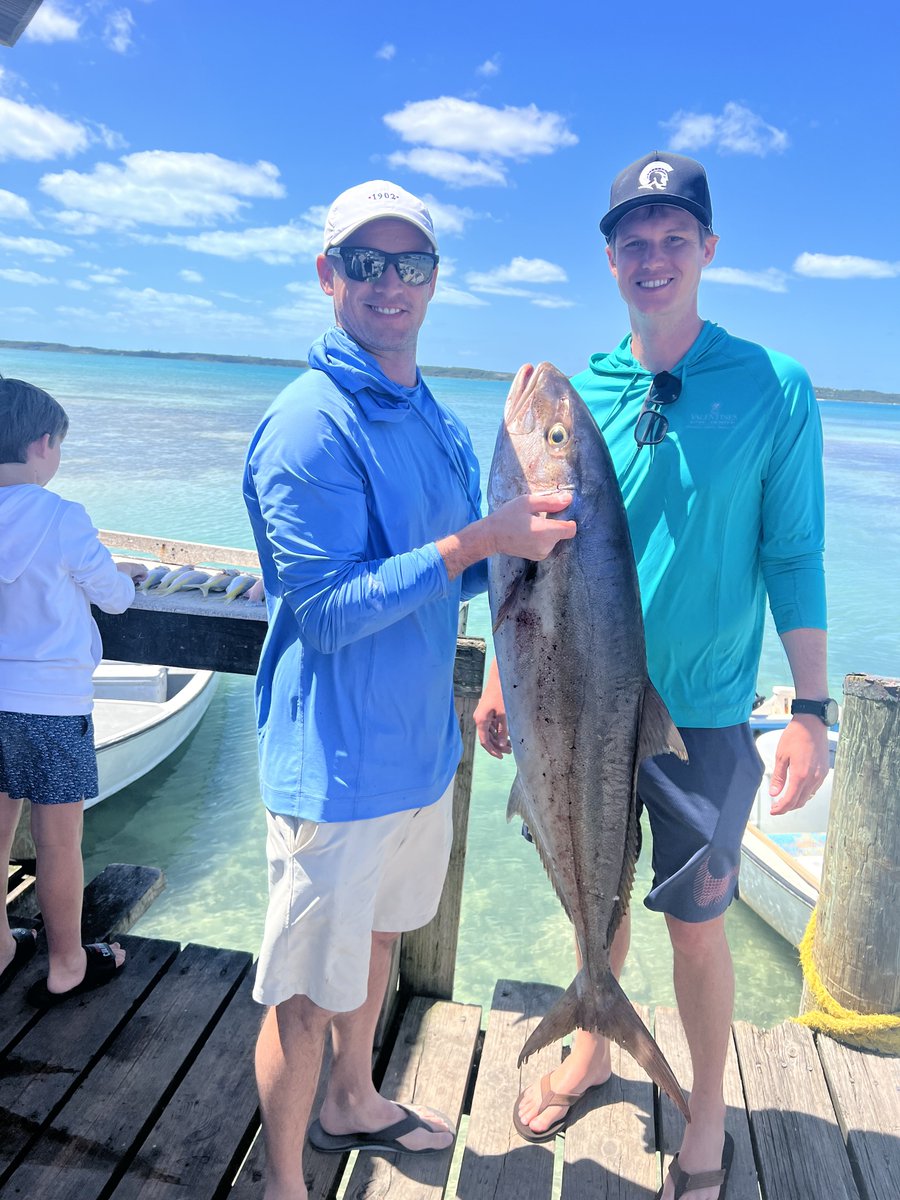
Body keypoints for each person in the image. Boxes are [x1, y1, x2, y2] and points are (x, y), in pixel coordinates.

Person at [474, 151, 832, 1200]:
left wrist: (810, 709)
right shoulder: (588, 394)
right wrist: (499, 677)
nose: (655, 256)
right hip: (576, 701)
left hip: (704, 710)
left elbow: (794, 554)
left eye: (676, 237)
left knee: (697, 925)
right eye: (635, 239)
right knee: (596, 890)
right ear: (610, 258)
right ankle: (593, 1037)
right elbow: (534, 556)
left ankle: (706, 1110)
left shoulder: (774, 386)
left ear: (708, 249)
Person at [242, 179, 575, 1200]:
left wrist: (523, 546)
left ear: (434, 280)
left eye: (412, 263)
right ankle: (285, 1182)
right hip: (335, 770)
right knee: (304, 991)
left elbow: (455, 572)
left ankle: (353, 1097)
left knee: (381, 939)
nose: (390, 283)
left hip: (421, 755)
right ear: (328, 274)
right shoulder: (308, 425)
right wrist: (478, 543)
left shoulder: (431, 414)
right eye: (367, 262)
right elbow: (328, 611)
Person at [0, 377, 146, 1005]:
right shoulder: (62, 517)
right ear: (42, 444)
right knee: (59, 842)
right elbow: (115, 598)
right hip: (53, 708)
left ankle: (0, 946)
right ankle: (66, 964)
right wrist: (119, 574)